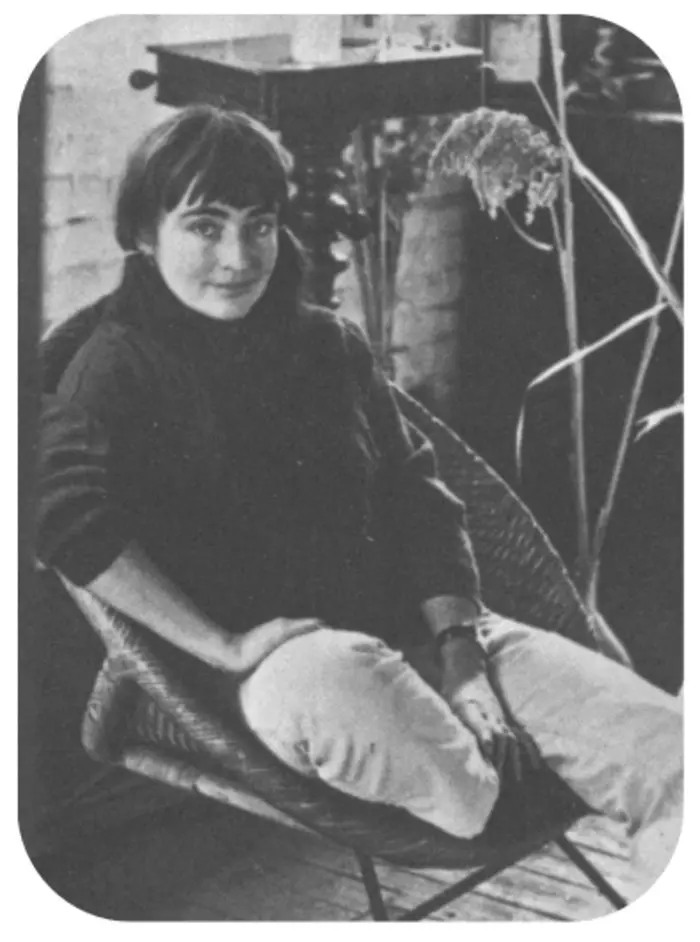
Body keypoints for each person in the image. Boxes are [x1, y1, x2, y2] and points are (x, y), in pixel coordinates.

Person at [36, 105, 682, 899]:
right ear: (142, 232)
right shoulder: (112, 368)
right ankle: (490, 787)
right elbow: (59, 517)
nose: (239, 257)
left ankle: (486, 762)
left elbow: (419, 499)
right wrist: (224, 646)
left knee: (675, 756)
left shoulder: (327, 345)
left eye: (260, 224)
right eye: (205, 226)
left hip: (419, 639)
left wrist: (463, 660)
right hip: (282, 675)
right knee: (334, 680)